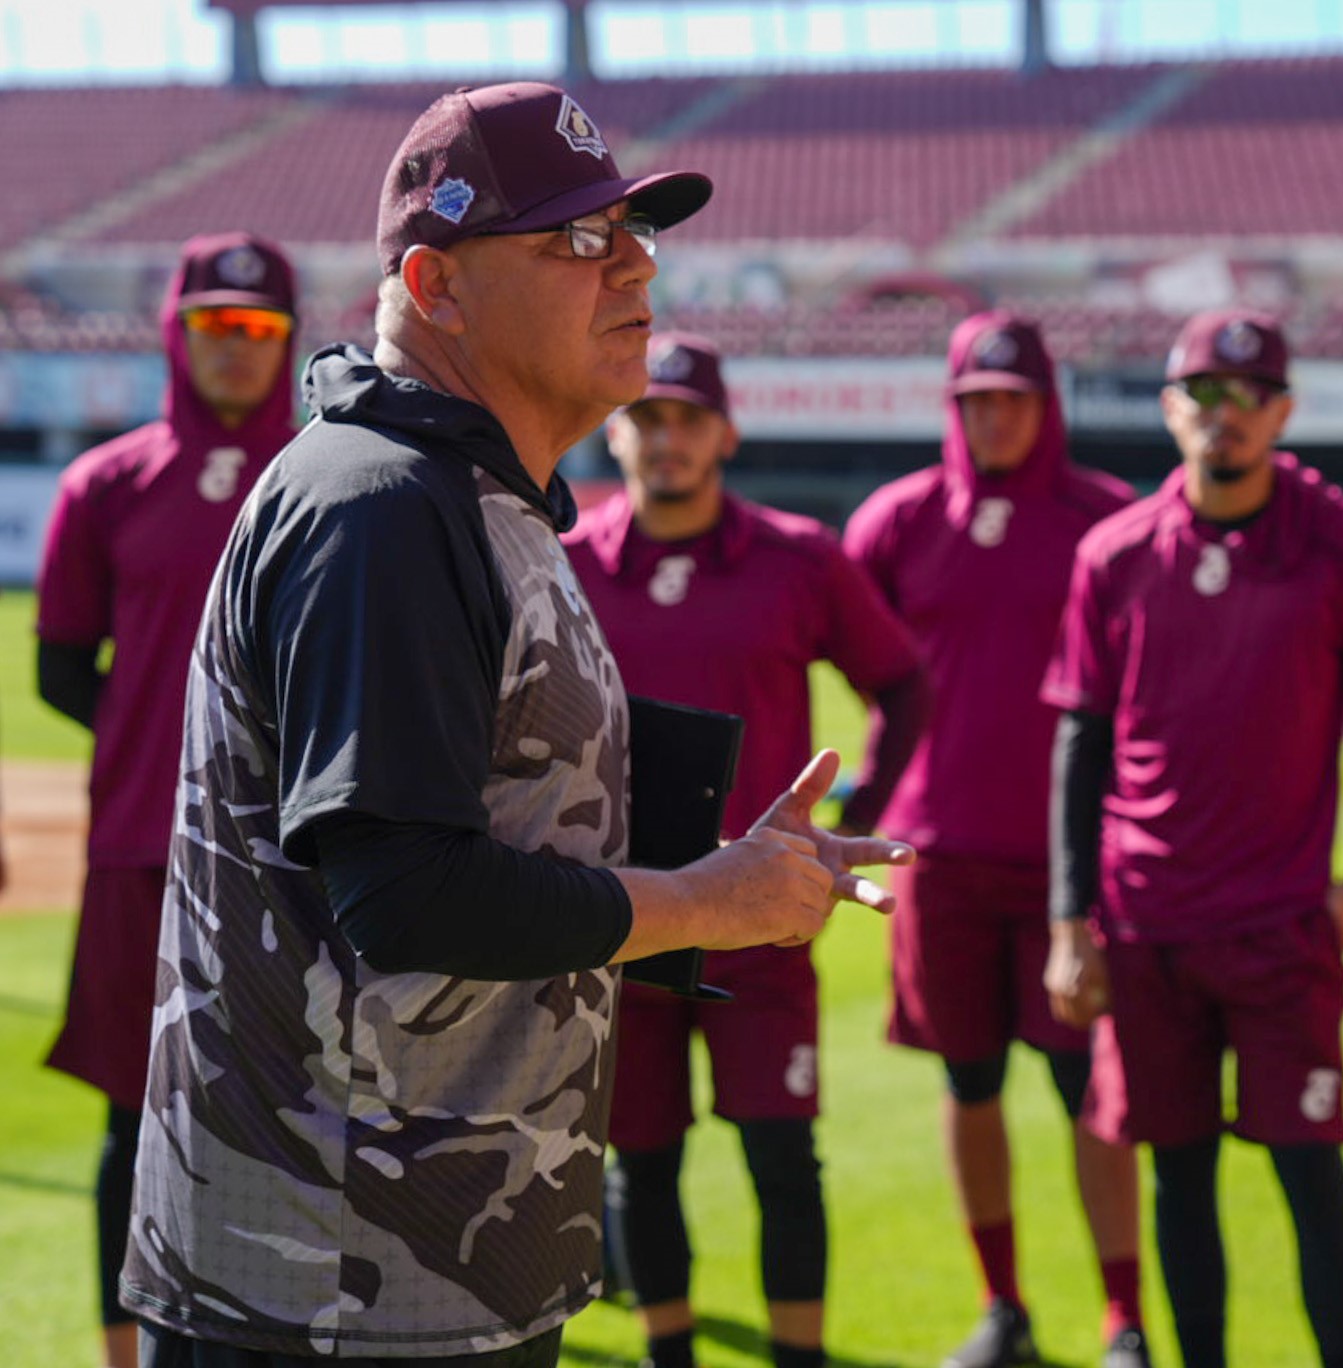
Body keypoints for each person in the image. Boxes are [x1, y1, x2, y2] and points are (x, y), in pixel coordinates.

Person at [115, 81, 910, 1366]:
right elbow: (407, 892)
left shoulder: (478, 498)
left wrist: (726, 866)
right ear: (433, 286)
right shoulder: (377, 505)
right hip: (327, 1284)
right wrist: (706, 901)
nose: (635, 265)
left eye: (636, 234)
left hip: (422, 1265)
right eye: (577, 242)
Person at [1041, 309, 1343, 1368]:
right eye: (1203, 395)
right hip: (1145, 919)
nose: (1225, 415)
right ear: (1171, 409)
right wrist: (1069, 922)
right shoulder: (1114, 553)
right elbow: (1078, 740)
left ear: (1283, 411)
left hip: (1279, 926)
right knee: (1179, 1168)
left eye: (1248, 395)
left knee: (1307, 1167)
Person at [564, 331, 930, 1368]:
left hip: (765, 917)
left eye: (685, 419)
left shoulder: (799, 558)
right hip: (625, 911)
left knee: (781, 1155)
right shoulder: (568, 562)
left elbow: (902, 683)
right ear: (617, 429)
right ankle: (671, 1355)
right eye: (645, 417)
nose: (664, 438)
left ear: (723, 432)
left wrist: (848, 809)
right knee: (641, 1161)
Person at [842, 311, 1148, 1368]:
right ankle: (1003, 1310)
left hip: (1071, 866)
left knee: (1089, 1093)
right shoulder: (898, 520)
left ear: (1047, 403)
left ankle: (1124, 1320)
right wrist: (883, 785)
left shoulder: (1107, 523)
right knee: (967, 1084)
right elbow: (855, 653)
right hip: (940, 861)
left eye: (1014, 399)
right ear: (953, 404)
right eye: (977, 401)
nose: (997, 418)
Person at [34, 230, 299, 1368]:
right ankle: (121, 1352)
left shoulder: (333, 478)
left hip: (298, 860)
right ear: (174, 333)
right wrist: (173, 755)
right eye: (211, 325)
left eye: (255, 329)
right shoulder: (105, 483)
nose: (231, 349)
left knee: (295, 1125)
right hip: (143, 851)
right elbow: (59, 667)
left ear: (286, 341)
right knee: (129, 1124)